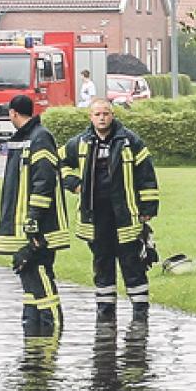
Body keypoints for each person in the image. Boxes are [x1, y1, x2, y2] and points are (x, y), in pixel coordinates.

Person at [59, 98, 160, 321]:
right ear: (90, 117)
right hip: (96, 216)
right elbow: (58, 161)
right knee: (102, 262)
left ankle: (140, 311)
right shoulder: (81, 142)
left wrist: (148, 208)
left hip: (125, 214)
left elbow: (146, 175)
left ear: (112, 115)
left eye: (106, 113)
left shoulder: (130, 141)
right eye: (97, 114)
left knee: (132, 262)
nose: (102, 117)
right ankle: (105, 312)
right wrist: (73, 183)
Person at [0, 95, 70, 337]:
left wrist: (34, 221)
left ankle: (52, 332)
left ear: (13, 113)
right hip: (26, 225)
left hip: (39, 226)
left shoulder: (39, 138)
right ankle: (34, 332)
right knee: (28, 276)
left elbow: (44, 182)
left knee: (39, 272)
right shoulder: (26, 139)